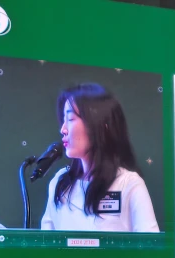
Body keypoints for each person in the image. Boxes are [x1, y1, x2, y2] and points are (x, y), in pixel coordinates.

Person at [40, 83, 159, 232]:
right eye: (63, 120)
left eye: (70, 119)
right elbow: (45, 240)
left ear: (100, 124)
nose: (63, 129)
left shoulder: (128, 184)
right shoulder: (59, 183)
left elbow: (149, 242)